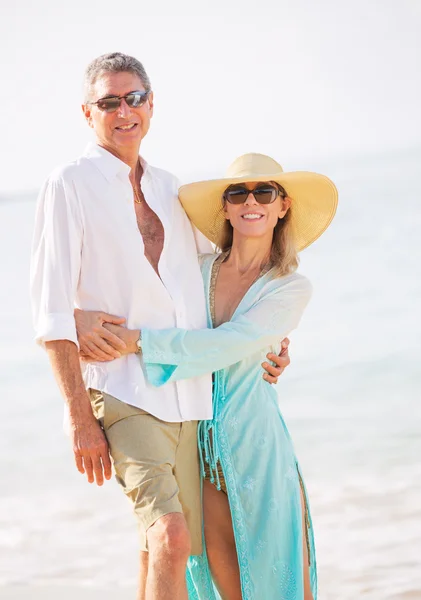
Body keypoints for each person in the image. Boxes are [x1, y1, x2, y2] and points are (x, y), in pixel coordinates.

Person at [30, 52, 287, 600]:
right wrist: (80, 418)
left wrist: (272, 338)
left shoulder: (173, 189)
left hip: (189, 401)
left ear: (151, 106)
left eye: (134, 98)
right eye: (108, 102)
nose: (123, 111)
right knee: (171, 534)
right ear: (87, 112)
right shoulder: (68, 184)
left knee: (164, 544)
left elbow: (215, 282)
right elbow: (48, 308)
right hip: (121, 391)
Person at [76, 153, 338, 599]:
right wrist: (77, 318)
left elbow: (231, 342)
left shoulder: (289, 287)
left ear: (282, 206)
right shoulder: (195, 272)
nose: (250, 201)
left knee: (279, 578)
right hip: (194, 444)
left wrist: (139, 341)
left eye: (264, 192)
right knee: (215, 581)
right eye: (238, 193)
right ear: (227, 207)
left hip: (257, 445)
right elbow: (131, 291)